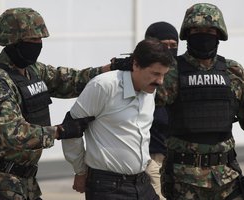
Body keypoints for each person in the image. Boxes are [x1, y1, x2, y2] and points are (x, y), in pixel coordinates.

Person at [0, 7, 123, 200]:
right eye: (33, 40)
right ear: (13, 41)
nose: (39, 45)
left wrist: (111, 69)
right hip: (1, 182)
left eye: (40, 40)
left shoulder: (32, 70)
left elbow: (70, 80)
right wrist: (60, 131)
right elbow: (13, 133)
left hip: (25, 182)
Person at [158, 3, 244, 199]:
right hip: (184, 182)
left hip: (227, 179)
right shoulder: (170, 73)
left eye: (209, 30)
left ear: (219, 34)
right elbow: (139, 112)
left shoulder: (233, 73)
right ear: (188, 34)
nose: (203, 35)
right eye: (197, 30)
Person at [62, 38, 174, 200]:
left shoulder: (150, 89)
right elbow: (71, 128)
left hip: (142, 182)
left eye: (164, 75)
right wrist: (80, 171)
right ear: (135, 65)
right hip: (108, 187)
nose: (160, 81)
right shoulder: (103, 86)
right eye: (155, 73)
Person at [144, 21, 179, 200]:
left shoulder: (181, 76)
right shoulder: (139, 76)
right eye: (163, 45)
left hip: (178, 161)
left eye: (173, 46)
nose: (169, 49)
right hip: (151, 159)